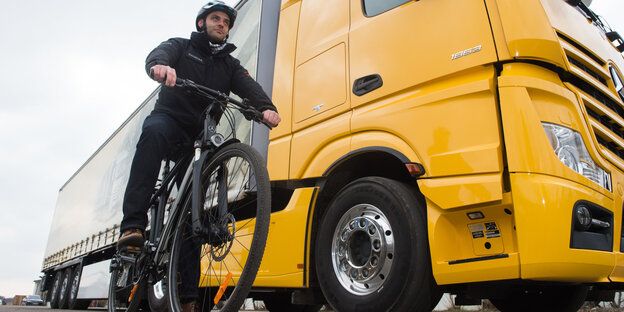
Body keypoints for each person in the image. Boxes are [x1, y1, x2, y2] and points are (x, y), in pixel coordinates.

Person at [117, 1, 281, 249]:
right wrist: (159, 66)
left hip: (200, 134)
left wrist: (266, 108)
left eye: (226, 22)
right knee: (154, 132)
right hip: (170, 119)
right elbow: (160, 54)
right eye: (216, 19)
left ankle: (187, 286)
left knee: (193, 209)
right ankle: (132, 225)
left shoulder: (230, 65)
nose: (221, 24)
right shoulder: (182, 46)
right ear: (202, 23)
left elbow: (249, 87)